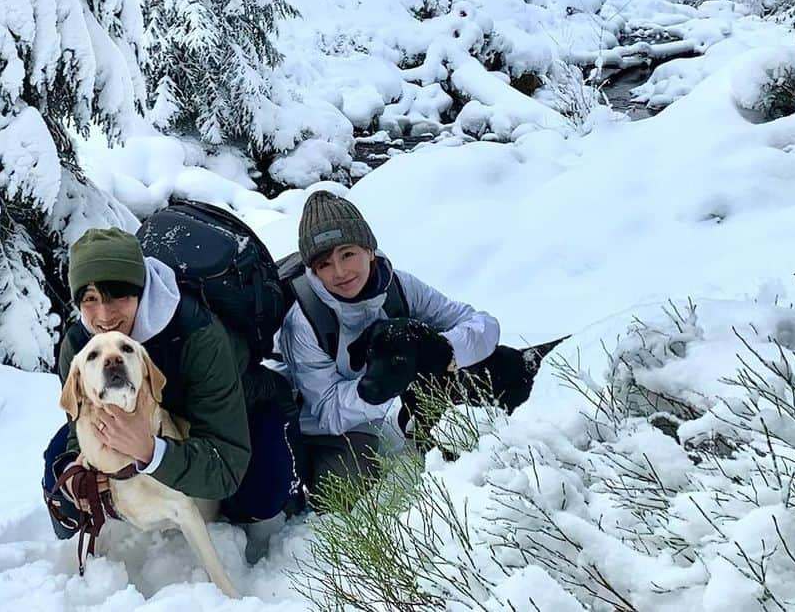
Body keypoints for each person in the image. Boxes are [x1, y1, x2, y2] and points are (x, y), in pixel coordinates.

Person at [42, 227, 300, 559]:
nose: (104, 316)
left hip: (233, 412)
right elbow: (81, 418)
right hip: (154, 421)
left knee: (259, 496)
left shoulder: (198, 333)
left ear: (141, 290)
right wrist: (82, 471)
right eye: (90, 299)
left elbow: (225, 464)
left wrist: (151, 452)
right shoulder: (80, 346)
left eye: (119, 294)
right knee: (58, 476)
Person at [279, 191, 500, 496]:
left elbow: (482, 325)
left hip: (367, 406)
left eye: (347, 254)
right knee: (343, 491)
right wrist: (390, 381)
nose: (340, 272)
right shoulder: (304, 319)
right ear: (313, 271)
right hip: (315, 424)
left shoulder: (399, 287)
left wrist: (444, 351)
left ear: (369, 250)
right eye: (324, 264)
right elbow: (326, 410)